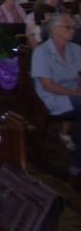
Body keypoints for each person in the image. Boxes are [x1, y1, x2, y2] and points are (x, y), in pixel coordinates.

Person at [32, 13, 81, 178]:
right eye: (68, 27)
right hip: (52, 98)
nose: (72, 30)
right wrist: (75, 93)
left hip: (75, 94)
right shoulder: (41, 52)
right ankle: (77, 165)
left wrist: (79, 89)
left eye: (73, 27)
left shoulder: (76, 49)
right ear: (54, 30)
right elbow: (48, 85)